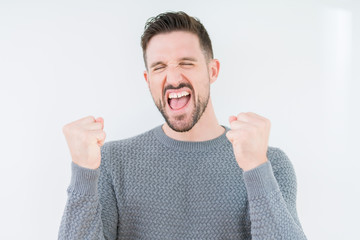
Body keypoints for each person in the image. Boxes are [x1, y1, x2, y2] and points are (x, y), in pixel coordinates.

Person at [58, 11, 307, 240]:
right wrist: (83, 172)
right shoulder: (111, 162)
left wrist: (256, 169)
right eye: (159, 67)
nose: (174, 78)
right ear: (148, 80)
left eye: (186, 63)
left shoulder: (270, 163)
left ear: (213, 71)